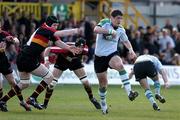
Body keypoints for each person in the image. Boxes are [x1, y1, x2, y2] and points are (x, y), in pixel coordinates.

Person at [0, 15, 81, 112]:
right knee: (49, 77)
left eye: (57, 25)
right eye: (54, 25)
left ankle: (3, 100)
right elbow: (60, 33)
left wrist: (68, 48)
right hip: (28, 58)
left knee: (24, 83)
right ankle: (32, 98)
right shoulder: (45, 28)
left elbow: (58, 42)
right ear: (49, 24)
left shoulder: (47, 31)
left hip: (23, 57)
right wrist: (75, 30)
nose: (55, 27)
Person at [93, 9, 138, 114]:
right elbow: (95, 29)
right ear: (111, 18)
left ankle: (129, 92)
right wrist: (109, 31)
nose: (119, 20)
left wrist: (131, 50)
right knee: (103, 84)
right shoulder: (105, 22)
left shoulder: (121, 29)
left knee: (120, 65)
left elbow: (126, 41)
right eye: (117, 18)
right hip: (99, 57)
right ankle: (103, 103)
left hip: (112, 54)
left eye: (121, 18)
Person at [40, 37, 101, 110]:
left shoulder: (85, 50)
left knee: (85, 82)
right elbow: (48, 49)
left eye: (82, 47)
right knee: (52, 84)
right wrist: (46, 60)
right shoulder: (65, 48)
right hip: (62, 61)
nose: (80, 49)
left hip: (75, 62)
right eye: (78, 47)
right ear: (75, 46)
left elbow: (83, 55)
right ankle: (45, 104)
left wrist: (80, 59)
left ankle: (92, 98)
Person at [0, 24, 31, 112]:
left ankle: (22, 102)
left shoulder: (4, 34)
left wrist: (13, 40)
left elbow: (17, 40)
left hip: (3, 63)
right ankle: (2, 103)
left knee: (13, 83)